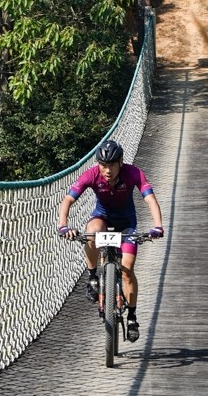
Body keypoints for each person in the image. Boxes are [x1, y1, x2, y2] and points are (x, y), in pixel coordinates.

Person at [57, 140, 164, 342]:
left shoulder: (134, 173)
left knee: (127, 269)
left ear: (121, 162)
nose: (107, 170)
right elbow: (68, 200)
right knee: (92, 232)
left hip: (126, 224)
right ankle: (92, 277)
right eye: (103, 165)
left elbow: (150, 199)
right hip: (103, 218)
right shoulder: (91, 175)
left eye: (112, 165)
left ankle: (132, 317)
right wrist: (64, 225)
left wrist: (157, 226)